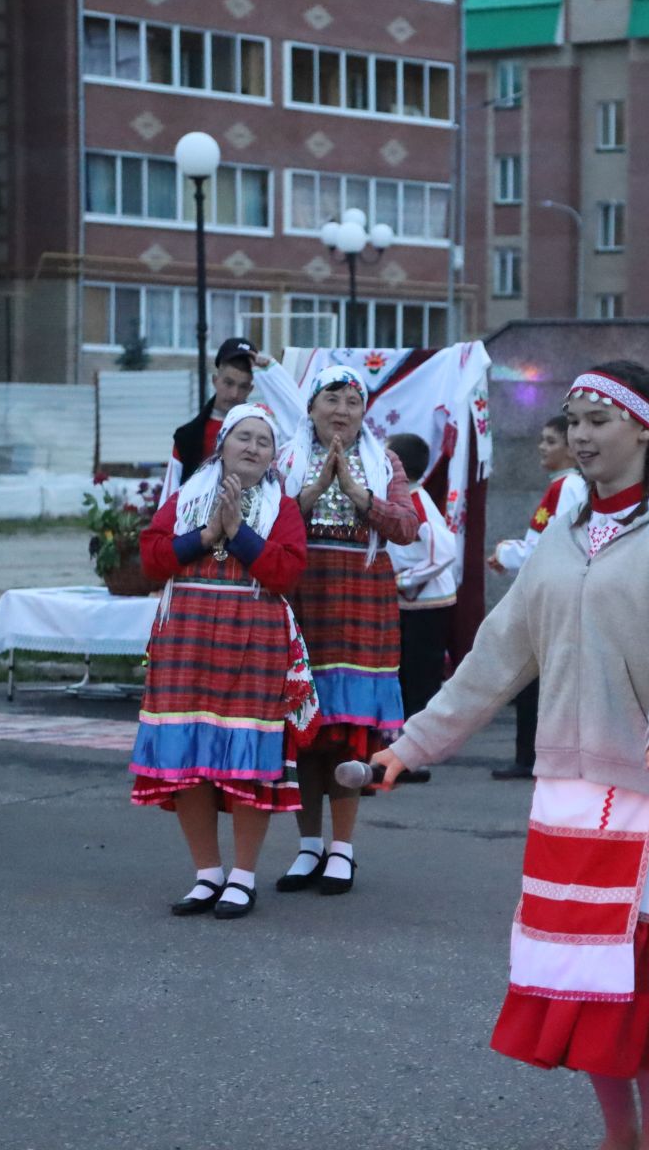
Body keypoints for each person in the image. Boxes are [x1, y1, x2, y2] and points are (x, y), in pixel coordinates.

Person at [373, 361, 649, 1150]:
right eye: (572, 420)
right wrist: (412, 743)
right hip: (567, 787)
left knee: (644, 978)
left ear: (645, 429)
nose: (580, 435)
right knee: (583, 976)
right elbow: (497, 656)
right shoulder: (563, 535)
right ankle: (617, 1133)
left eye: (598, 420)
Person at [130, 404, 312, 921]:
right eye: (244, 438)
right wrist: (208, 535)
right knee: (188, 756)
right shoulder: (186, 496)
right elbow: (151, 559)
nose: (253, 447)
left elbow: (286, 573)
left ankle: (243, 876)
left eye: (263, 441)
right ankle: (207, 873)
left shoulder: (284, 508)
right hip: (186, 641)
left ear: (274, 455)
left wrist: (242, 535)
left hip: (252, 642)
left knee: (247, 760)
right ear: (222, 444)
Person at [274, 366, 419, 895]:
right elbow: (265, 528)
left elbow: (407, 527)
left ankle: (343, 849)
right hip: (303, 600)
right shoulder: (285, 458)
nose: (341, 410)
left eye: (352, 401)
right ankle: (308, 844)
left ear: (364, 412)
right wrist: (309, 493)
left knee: (347, 736)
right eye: (331, 398)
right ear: (310, 408)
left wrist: (360, 495)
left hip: (361, 602)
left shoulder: (386, 462)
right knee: (305, 731)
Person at [488, 413, 587, 781]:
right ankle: (532, 754)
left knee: (536, 677)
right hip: (551, 592)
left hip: (553, 596)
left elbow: (553, 546)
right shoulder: (563, 486)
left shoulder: (568, 487)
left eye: (550, 441)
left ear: (572, 449)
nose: (542, 447)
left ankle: (532, 755)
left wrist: (507, 554)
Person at [386, 431, 458, 784]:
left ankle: (417, 752)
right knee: (406, 676)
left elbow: (444, 552)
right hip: (412, 603)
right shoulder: (404, 501)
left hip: (427, 604)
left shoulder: (416, 501)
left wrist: (404, 581)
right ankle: (403, 746)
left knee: (419, 678)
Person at [160, 338, 260, 501]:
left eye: (242, 387)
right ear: (215, 380)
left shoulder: (263, 436)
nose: (234, 394)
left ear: (250, 389)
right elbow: (169, 498)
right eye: (228, 383)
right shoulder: (187, 436)